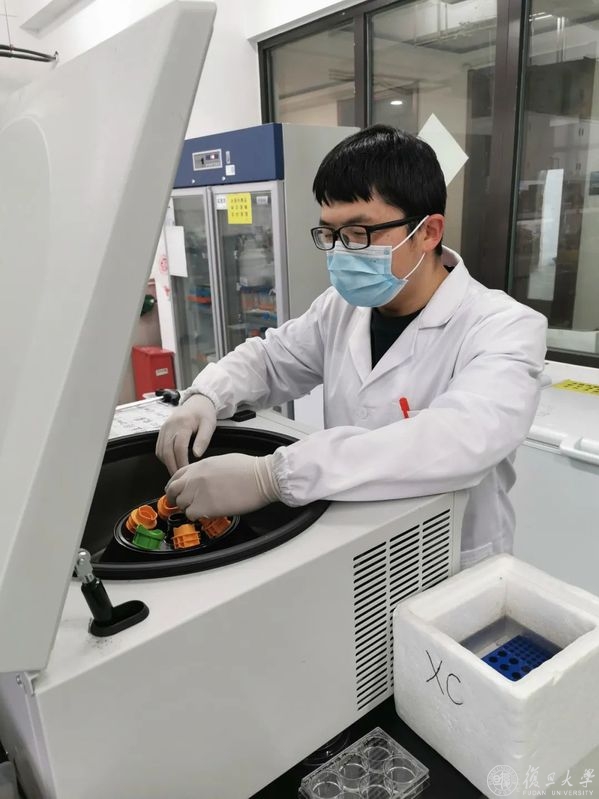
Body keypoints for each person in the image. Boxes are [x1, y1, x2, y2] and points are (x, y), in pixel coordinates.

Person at [157, 124, 547, 567]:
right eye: (330, 234)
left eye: (360, 232)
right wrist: (206, 395)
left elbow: (458, 440)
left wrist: (272, 476)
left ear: (428, 232)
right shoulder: (340, 308)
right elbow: (271, 360)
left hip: (451, 564)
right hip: (350, 551)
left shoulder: (504, 327)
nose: (341, 251)